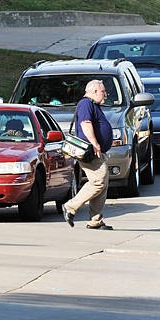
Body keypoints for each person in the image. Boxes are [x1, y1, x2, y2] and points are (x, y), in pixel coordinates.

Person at [63, 79, 114, 230]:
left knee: (102, 183)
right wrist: (95, 144)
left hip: (95, 151)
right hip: (90, 152)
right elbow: (85, 124)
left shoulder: (93, 105)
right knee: (98, 182)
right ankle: (70, 207)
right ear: (95, 91)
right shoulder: (85, 104)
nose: (105, 94)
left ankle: (95, 220)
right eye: (103, 91)